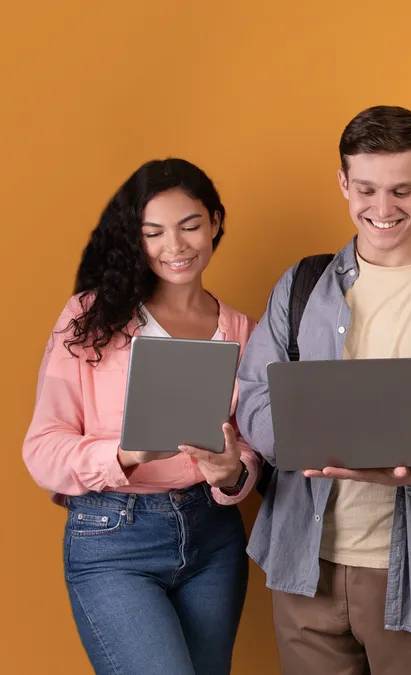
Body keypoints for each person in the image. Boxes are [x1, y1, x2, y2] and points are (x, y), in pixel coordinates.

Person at [235, 105, 411, 675]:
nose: (383, 210)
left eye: (402, 190)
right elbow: (255, 391)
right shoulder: (301, 285)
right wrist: (309, 440)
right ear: (342, 184)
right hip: (305, 565)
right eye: (366, 189)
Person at [22, 158, 259, 675]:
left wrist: (234, 471)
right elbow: (41, 448)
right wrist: (123, 454)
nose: (175, 247)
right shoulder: (90, 318)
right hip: (113, 535)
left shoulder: (243, 330)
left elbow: (252, 446)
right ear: (136, 239)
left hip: (213, 536)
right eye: (153, 233)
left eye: (190, 226)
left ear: (216, 222)